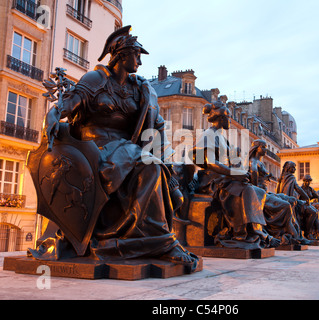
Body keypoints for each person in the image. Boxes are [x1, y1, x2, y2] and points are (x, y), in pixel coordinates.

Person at [32, 26, 199, 269]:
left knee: (152, 167)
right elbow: (69, 104)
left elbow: (158, 125)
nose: (140, 62)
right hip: (94, 148)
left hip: (126, 150)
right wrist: (53, 116)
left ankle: (150, 239)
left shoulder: (139, 89)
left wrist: (163, 158)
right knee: (146, 163)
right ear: (121, 54)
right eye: (136, 55)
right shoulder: (96, 80)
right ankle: (158, 241)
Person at [190, 101, 280, 249]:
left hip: (223, 178)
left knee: (257, 191)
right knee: (246, 190)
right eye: (229, 117)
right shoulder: (208, 135)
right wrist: (235, 174)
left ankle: (257, 231)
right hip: (211, 180)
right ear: (221, 118)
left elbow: (231, 163)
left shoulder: (223, 139)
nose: (230, 121)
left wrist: (240, 172)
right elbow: (210, 163)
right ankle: (242, 234)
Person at [249, 142, 311, 245]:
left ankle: (297, 235)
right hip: (259, 194)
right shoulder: (253, 162)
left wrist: (266, 176)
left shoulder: (261, 163)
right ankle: (295, 236)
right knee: (286, 205)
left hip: (265, 192)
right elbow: (253, 179)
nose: (266, 150)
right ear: (256, 148)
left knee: (290, 200)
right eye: (263, 147)